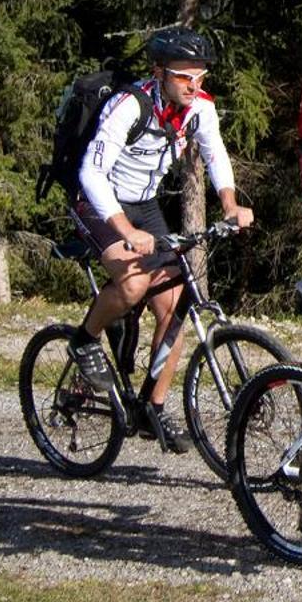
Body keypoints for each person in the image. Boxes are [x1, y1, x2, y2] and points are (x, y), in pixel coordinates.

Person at [66, 26, 254, 453]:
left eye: (200, 77)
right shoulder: (129, 105)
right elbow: (92, 173)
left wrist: (228, 203)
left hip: (145, 204)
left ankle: (152, 406)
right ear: (159, 73)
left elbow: (215, 153)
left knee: (173, 308)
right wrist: (126, 231)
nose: (194, 85)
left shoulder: (199, 108)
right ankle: (84, 339)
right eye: (184, 76)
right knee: (133, 283)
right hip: (99, 202)